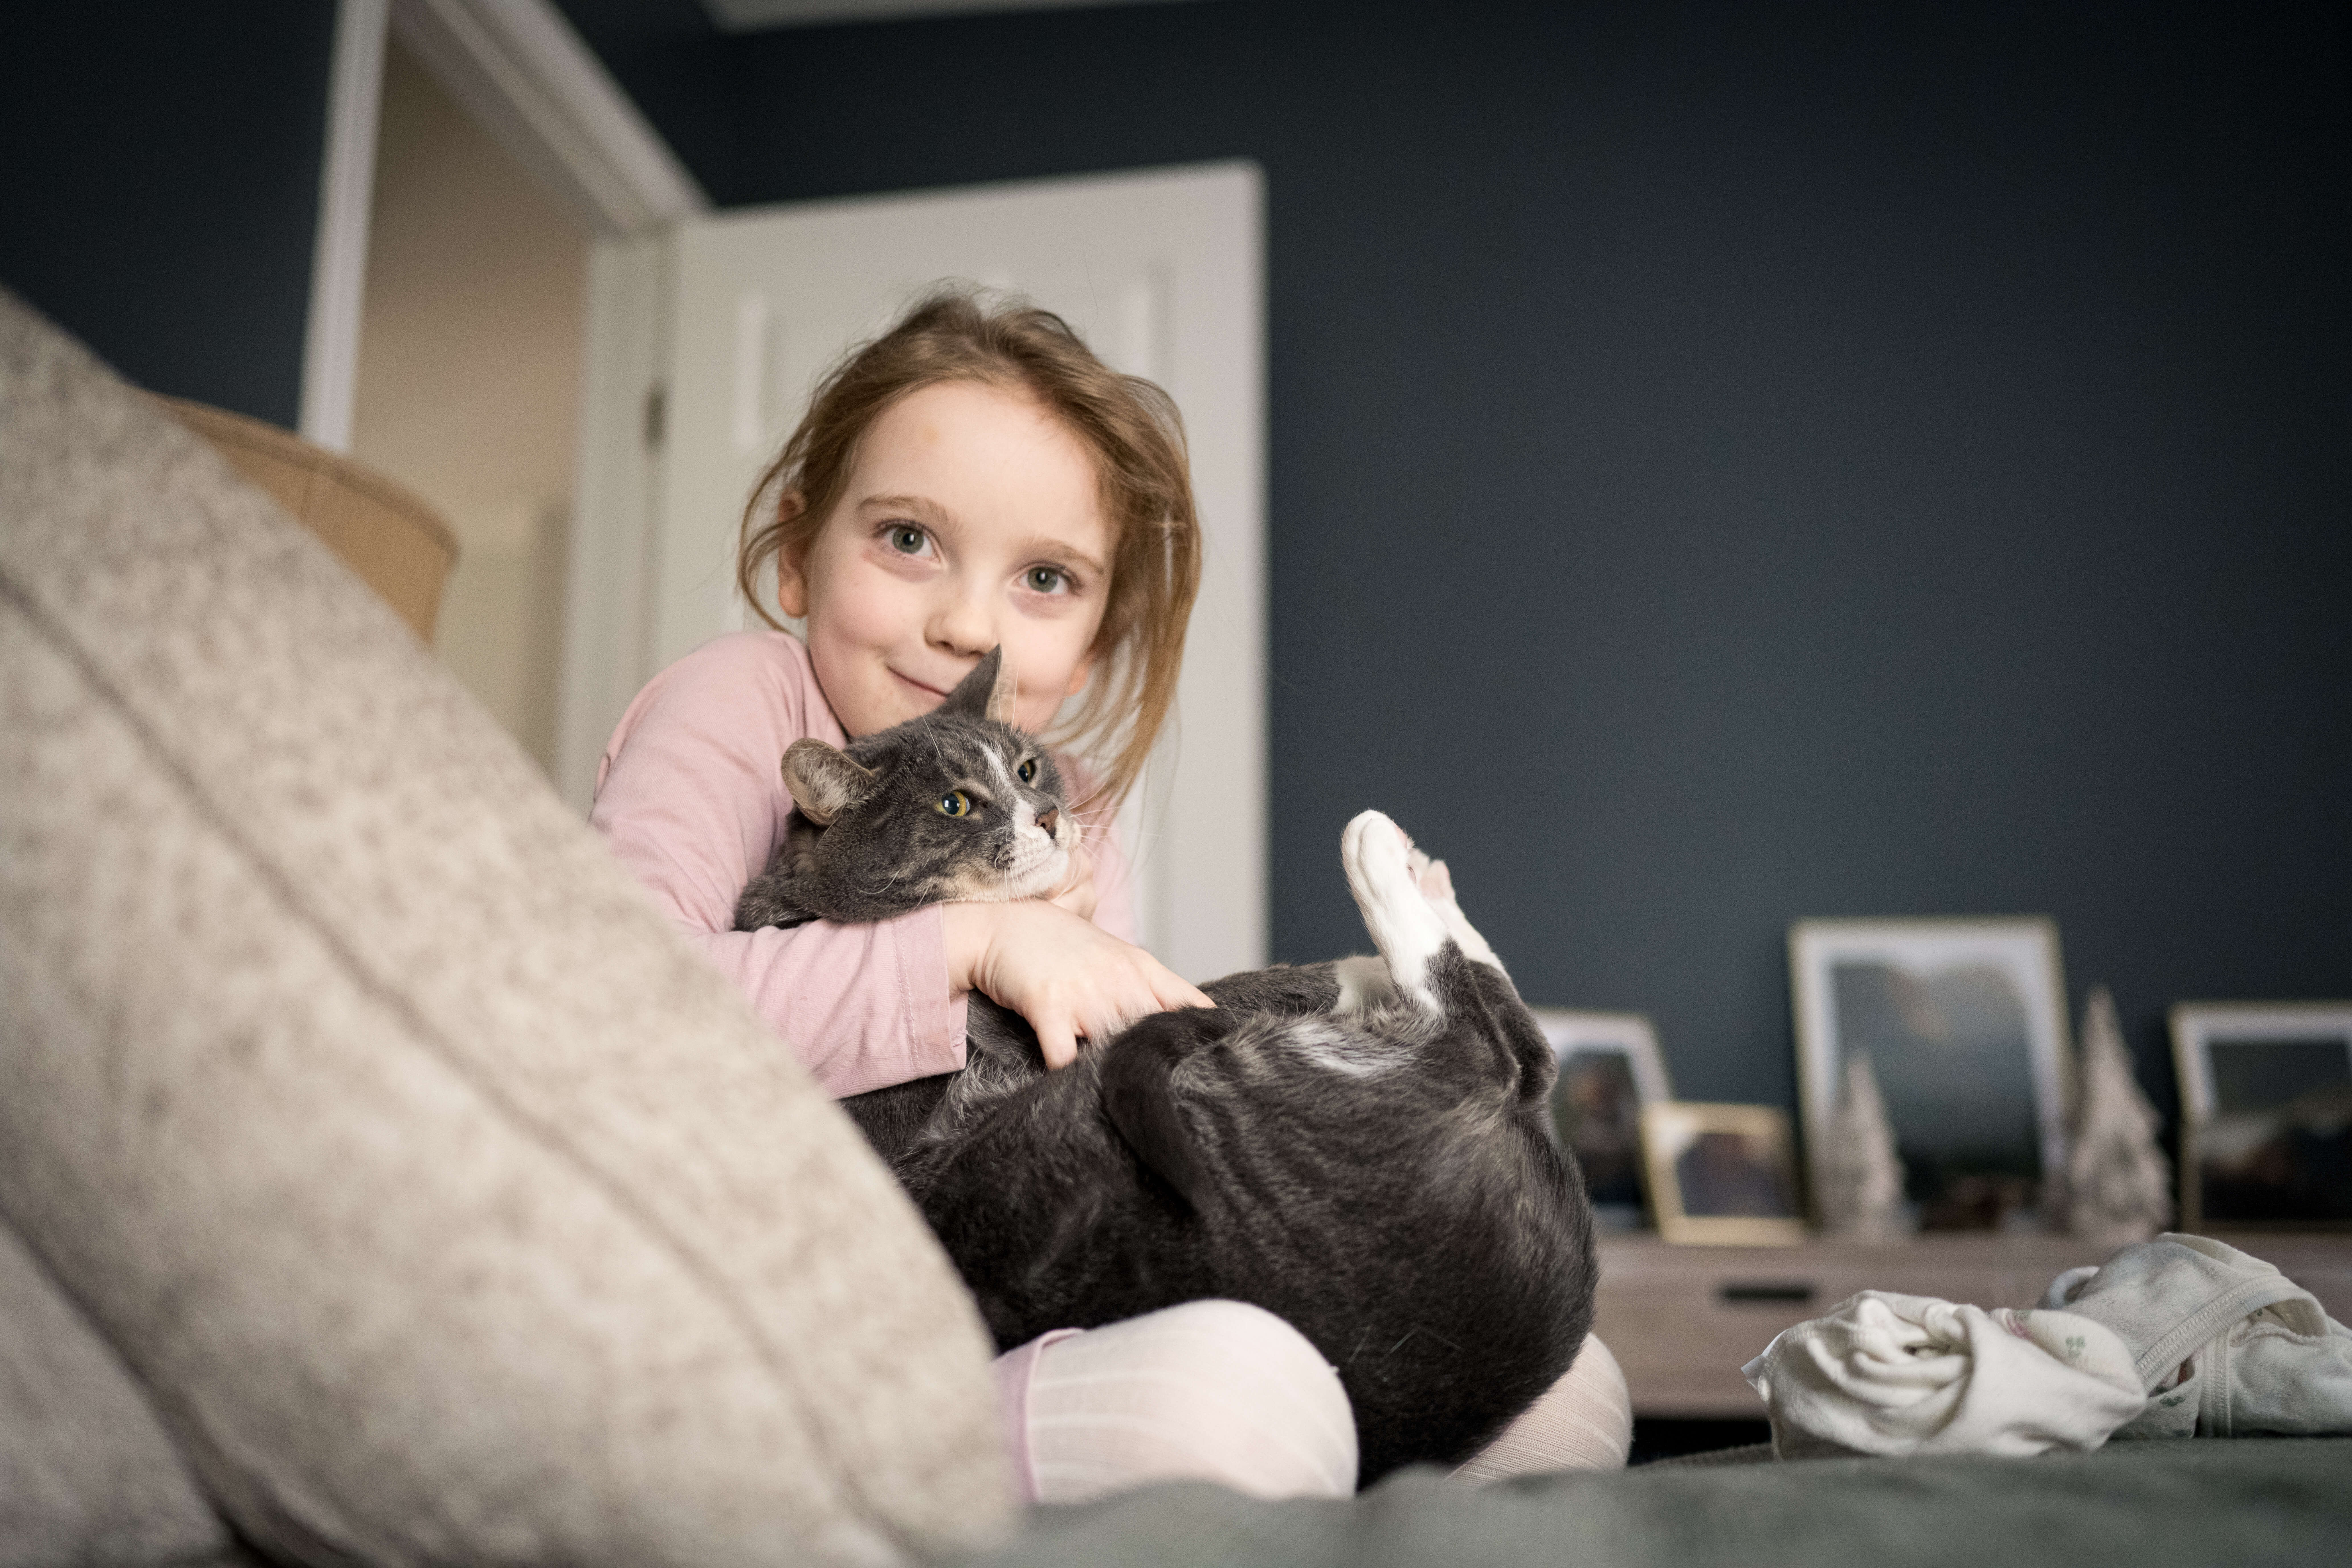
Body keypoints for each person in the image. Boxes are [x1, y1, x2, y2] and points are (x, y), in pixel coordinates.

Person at [589, 289, 1629, 1504]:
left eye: (1044, 577)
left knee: (1564, 1385)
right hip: (812, 1328)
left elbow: (1079, 1119)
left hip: (1023, 1275)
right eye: (909, 539)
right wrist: (972, 941)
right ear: (793, 550)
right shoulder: (740, 701)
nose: (965, 621)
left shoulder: (1059, 797)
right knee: (1241, 1397)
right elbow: (615, 1003)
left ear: (1092, 637)